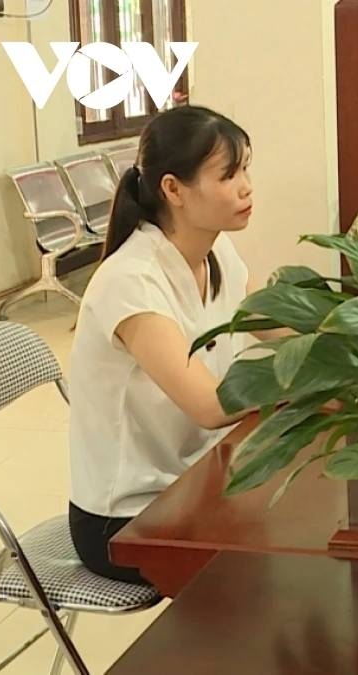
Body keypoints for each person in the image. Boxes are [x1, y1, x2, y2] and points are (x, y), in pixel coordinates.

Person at [67, 106, 278, 583]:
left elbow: (279, 321)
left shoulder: (215, 249)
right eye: (228, 174)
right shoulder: (131, 280)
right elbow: (208, 405)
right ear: (173, 189)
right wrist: (303, 380)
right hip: (125, 516)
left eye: (246, 169)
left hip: (196, 480)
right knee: (280, 560)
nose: (246, 186)